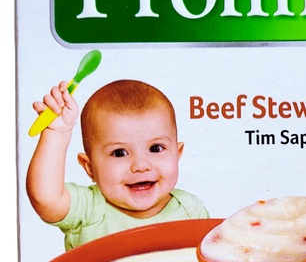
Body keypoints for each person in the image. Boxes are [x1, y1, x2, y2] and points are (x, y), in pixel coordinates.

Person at [26, 78, 208, 250]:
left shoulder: (190, 210)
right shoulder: (89, 209)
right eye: (119, 153)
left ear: (177, 153)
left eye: (155, 148)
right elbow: (45, 198)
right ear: (90, 168)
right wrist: (57, 133)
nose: (141, 165)